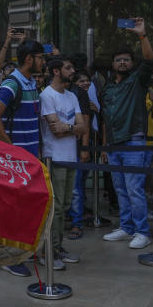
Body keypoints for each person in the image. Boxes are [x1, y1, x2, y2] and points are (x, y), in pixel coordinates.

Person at [0, 38, 46, 277]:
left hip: (30, 160)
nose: (43, 61)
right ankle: (9, 258)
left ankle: (21, 253)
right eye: (40, 57)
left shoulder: (31, 83)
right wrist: (13, 151)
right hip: (17, 161)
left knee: (25, 209)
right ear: (29, 59)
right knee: (14, 210)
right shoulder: (13, 83)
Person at [99, 18, 153, 250]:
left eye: (126, 60)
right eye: (118, 60)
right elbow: (105, 119)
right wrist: (104, 145)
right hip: (113, 144)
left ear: (132, 63)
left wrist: (142, 35)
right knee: (121, 188)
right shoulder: (108, 87)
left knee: (134, 189)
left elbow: (150, 60)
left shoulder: (137, 81)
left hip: (134, 140)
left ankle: (143, 231)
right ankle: (127, 227)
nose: (122, 62)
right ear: (112, 63)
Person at [39, 57, 86, 269]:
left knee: (65, 205)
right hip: (54, 157)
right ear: (56, 71)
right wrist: (72, 128)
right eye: (68, 67)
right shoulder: (46, 95)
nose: (73, 70)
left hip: (70, 158)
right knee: (56, 208)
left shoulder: (72, 96)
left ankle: (58, 247)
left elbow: (83, 126)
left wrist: (68, 128)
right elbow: (55, 131)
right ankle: (48, 250)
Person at [67, 70, 93, 239]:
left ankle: (77, 223)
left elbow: (86, 121)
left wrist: (84, 148)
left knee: (76, 188)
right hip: (59, 147)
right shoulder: (50, 91)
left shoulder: (79, 93)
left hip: (76, 147)